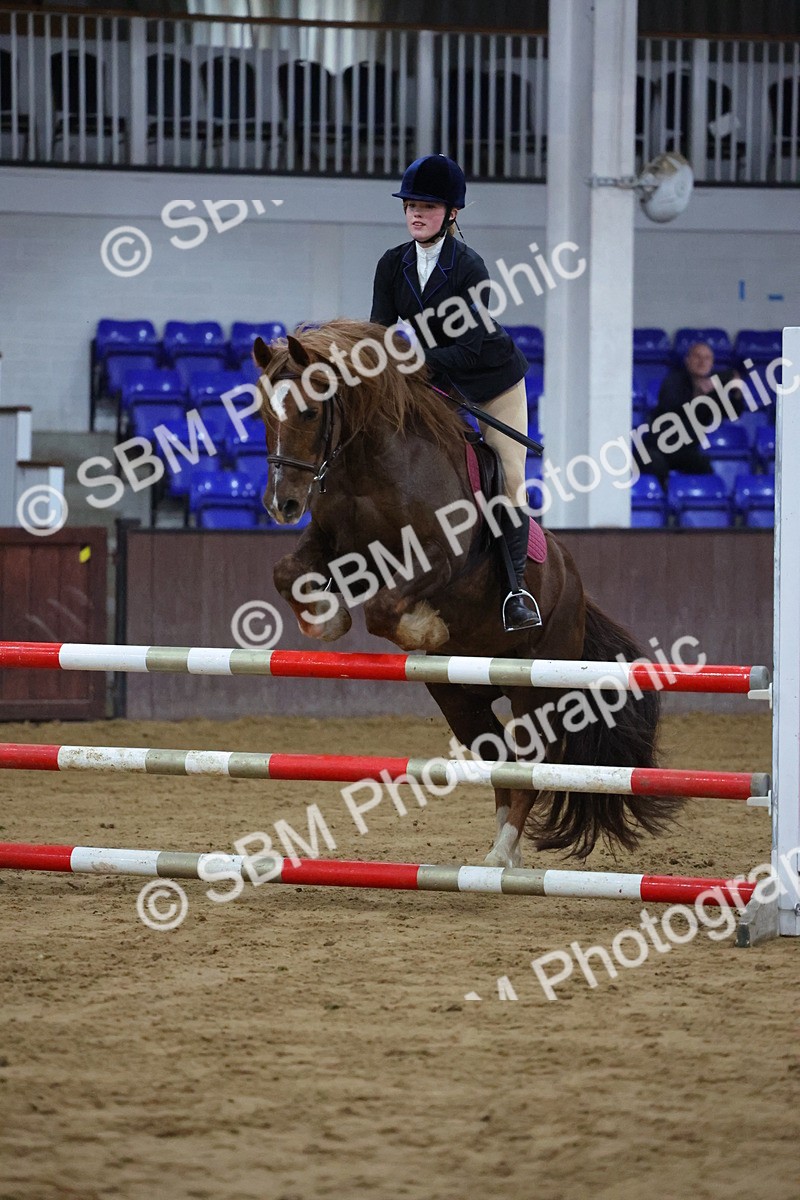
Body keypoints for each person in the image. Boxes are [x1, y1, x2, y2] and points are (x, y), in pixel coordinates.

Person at [370, 153, 541, 632]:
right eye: (410, 206)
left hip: (490, 381)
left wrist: (410, 363)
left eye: (426, 205)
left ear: (452, 213)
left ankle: (517, 592)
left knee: (507, 478)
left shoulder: (469, 267)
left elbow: (467, 349)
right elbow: (380, 330)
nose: (415, 214)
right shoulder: (391, 264)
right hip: (434, 381)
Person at [639, 341, 742, 486]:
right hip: (658, 445)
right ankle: (665, 502)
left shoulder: (714, 389)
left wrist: (737, 391)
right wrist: (699, 393)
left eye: (707, 358)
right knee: (655, 466)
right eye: (697, 357)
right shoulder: (673, 381)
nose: (702, 362)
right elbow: (673, 408)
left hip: (685, 449)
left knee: (704, 469)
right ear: (687, 361)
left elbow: (734, 413)